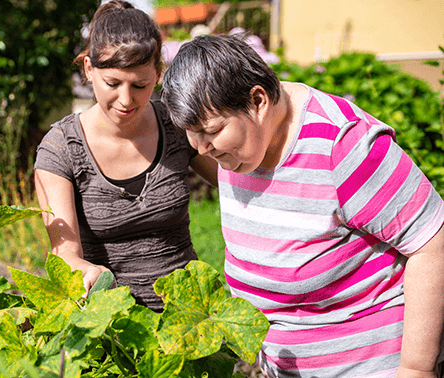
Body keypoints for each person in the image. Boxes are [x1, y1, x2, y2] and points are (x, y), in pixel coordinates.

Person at [160, 34, 444, 378]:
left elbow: (433, 245)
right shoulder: (241, 147)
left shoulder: (343, 145)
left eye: (212, 131)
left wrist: (416, 369)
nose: (202, 150)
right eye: (193, 134)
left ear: (258, 100)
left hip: (368, 366)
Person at [34, 0, 217, 312]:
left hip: (189, 319)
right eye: (113, 83)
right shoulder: (61, 148)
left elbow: (237, 182)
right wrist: (85, 269)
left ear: (158, 74)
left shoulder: (176, 126)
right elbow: (64, 252)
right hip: (111, 326)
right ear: (89, 69)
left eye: (140, 85)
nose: (126, 99)